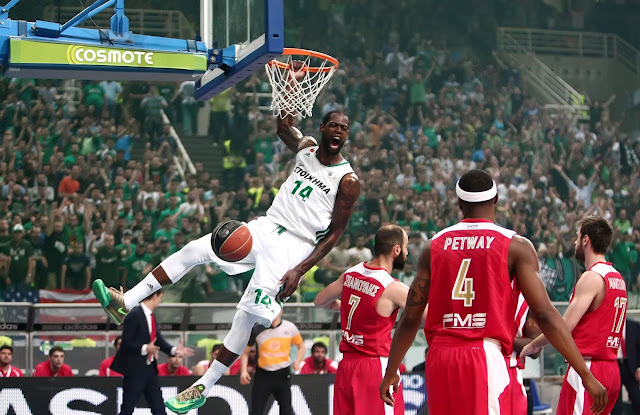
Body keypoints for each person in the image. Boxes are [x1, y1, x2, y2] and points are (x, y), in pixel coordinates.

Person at [94, 103, 360, 413]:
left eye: (344, 128)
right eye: (334, 125)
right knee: (195, 249)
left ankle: (202, 387)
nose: (338, 131)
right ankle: (126, 302)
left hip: (295, 247)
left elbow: (335, 234)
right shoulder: (307, 149)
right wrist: (288, 90)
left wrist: (300, 270)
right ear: (324, 128)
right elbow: (284, 127)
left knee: (245, 317)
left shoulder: (348, 181)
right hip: (266, 226)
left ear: (347, 135)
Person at [379, 169, 607, 415]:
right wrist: (585, 374)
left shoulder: (433, 246)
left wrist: (391, 371)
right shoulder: (516, 245)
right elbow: (545, 314)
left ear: (459, 203)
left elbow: (410, 316)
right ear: (496, 198)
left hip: (439, 357)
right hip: (484, 354)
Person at [521, 215, 627, 415]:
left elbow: (563, 327)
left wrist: (532, 345)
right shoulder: (617, 278)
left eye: (578, 237)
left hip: (588, 367)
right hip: (611, 368)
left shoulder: (591, 277)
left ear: (586, 240)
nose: (575, 242)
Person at [314, 224, 418, 415]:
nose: (407, 252)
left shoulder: (352, 272)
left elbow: (319, 301)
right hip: (376, 367)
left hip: (346, 367)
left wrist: (340, 305)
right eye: (405, 247)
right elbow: (431, 315)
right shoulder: (393, 287)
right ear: (396, 250)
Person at [110, 290, 193, 415]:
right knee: (128, 406)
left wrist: (174, 350)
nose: (160, 301)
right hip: (135, 369)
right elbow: (126, 342)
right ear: (155, 296)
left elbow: (158, 340)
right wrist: (145, 348)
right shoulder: (135, 315)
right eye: (160, 298)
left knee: (158, 407)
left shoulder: (151, 316)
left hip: (149, 368)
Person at [239, 310, 306, 415]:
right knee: (256, 411)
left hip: (283, 374)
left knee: (286, 410)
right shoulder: (257, 329)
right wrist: (243, 371)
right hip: (263, 375)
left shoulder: (290, 327)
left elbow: (301, 346)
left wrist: (298, 361)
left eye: (276, 309)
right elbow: (245, 351)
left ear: (281, 310)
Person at [508, 294, 541, 415]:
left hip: (509, 373)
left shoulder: (527, 298)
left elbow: (536, 349)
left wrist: (498, 337)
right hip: (466, 365)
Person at [612, 318, 640, 415]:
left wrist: (639, 367)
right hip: (614, 366)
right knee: (615, 403)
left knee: (637, 398)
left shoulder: (634, 326)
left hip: (630, 366)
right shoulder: (607, 326)